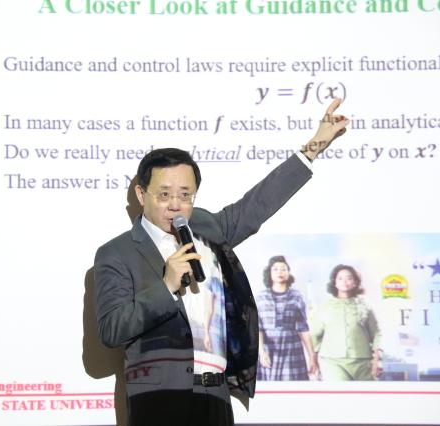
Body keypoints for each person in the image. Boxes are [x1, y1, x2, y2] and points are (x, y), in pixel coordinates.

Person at [94, 99, 349, 426]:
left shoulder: (207, 227)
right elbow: (111, 330)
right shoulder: (117, 253)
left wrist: (316, 144)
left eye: (185, 195)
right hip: (159, 398)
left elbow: (259, 203)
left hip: (215, 396)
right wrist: (166, 286)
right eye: (165, 194)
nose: (176, 205)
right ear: (142, 194)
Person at [310, 264, 381, 381]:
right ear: (334, 283)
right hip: (332, 362)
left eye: (349, 278)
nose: (344, 281)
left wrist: (377, 360)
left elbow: (377, 333)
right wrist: (313, 360)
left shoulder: (365, 306)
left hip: (363, 362)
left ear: (355, 282)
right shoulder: (324, 307)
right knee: (339, 392)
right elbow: (314, 336)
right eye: (340, 278)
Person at [256, 255, 318, 381]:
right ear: (269, 273)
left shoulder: (296, 296)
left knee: (292, 387)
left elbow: (303, 328)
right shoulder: (261, 298)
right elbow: (257, 328)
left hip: (292, 349)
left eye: (283, 269)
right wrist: (261, 352)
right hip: (268, 350)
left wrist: (312, 356)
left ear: (288, 273)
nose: (280, 272)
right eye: (275, 269)